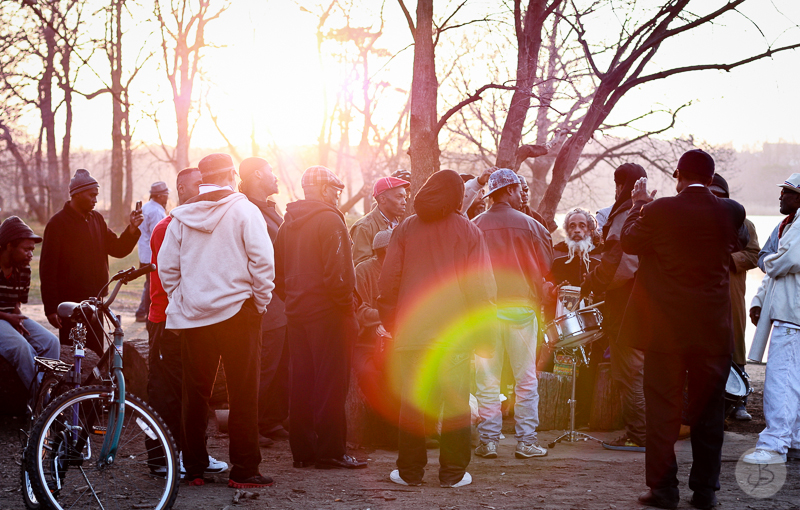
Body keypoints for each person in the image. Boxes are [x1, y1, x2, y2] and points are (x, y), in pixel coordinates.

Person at [619, 149, 745, 509]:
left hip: (666, 332)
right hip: (712, 331)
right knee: (709, 415)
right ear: (710, 177)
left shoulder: (657, 211)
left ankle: (664, 491)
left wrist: (638, 203)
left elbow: (629, 242)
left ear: (677, 175)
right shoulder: (733, 211)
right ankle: (705, 493)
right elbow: (734, 246)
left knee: (662, 412)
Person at [159, 153, 275, 488]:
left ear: (203, 178)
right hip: (240, 313)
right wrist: (260, 303)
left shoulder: (180, 217)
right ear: (231, 175)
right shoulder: (244, 211)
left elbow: (167, 268)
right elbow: (263, 263)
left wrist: (184, 298)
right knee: (243, 393)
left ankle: (194, 468)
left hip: (194, 317)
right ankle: (245, 471)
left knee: (194, 396)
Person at [378, 169, 497, 488]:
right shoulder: (470, 232)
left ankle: (409, 473)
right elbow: (481, 290)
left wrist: (395, 324)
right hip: (454, 338)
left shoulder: (404, 229)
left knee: (413, 404)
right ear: (459, 197)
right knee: (456, 403)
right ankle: (453, 474)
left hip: (412, 335)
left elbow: (387, 283)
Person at [274, 166, 367, 470]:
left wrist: (296, 300)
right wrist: (346, 311)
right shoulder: (330, 219)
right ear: (326, 190)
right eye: (337, 190)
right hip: (328, 314)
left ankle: (303, 452)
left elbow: (278, 274)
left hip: (297, 313)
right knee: (331, 383)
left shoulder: (288, 223)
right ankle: (330, 452)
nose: (339, 196)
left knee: (301, 381)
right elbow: (339, 276)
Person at [145, 167, 228, 477]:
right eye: (198, 185)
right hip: (167, 320)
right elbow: (173, 280)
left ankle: (195, 456)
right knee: (167, 394)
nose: (205, 191)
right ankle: (162, 459)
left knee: (193, 392)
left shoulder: (196, 224)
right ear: (181, 188)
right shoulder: (168, 227)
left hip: (192, 320)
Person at [472, 169, 553, 460]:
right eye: (519, 189)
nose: (522, 195)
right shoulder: (532, 226)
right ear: (507, 191)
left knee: (487, 380)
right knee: (526, 379)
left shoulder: (475, 225)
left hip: (487, 311)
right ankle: (526, 442)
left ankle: (489, 442)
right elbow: (546, 265)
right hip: (522, 309)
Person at [582, 163, 648, 453]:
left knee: (628, 371)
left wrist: (592, 282)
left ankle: (639, 435)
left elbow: (617, 263)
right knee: (639, 370)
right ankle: (644, 431)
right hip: (644, 300)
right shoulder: (650, 210)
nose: (617, 190)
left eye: (618, 184)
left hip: (625, 304)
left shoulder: (625, 214)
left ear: (623, 186)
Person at [40, 168, 142, 355]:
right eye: (92, 195)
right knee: (75, 356)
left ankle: (94, 386)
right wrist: (51, 308)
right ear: (76, 194)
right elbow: (47, 269)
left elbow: (118, 249)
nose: (96, 199)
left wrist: (132, 229)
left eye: (97, 195)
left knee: (96, 354)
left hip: (96, 303)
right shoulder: (57, 224)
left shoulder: (97, 220)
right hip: (71, 307)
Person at [746, 173, 800, 465]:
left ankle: (774, 445)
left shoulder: (798, 224)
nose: (781, 196)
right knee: (795, 383)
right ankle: (794, 440)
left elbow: (785, 260)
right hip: (791, 313)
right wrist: (758, 302)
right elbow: (779, 270)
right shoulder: (788, 224)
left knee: (781, 382)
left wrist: (767, 261)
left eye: (788, 192)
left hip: (792, 317)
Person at [238, 157, 290, 445]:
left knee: (280, 364)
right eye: (271, 172)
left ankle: (270, 420)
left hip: (281, 299)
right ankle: (249, 427)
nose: (276, 177)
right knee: (263, 366)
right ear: (257, 174)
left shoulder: (270, 208)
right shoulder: (247, 209)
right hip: (263, 300)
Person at [708, 173, 759, 421]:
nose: (715, 199)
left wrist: (729, 260)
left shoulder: (744, 224)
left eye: (720, 195)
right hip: (702, 296)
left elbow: (754, 255)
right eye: (711, 194)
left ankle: (740, 401)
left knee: (736, 343)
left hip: (731, 293)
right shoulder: (697, 221)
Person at [0, 217, 59, 396]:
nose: (30, 254)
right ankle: (45, 402)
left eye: (32, 250)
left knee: (51, 342)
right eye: (26, 249)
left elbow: (16, 303)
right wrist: (9, 318)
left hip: (10, 317)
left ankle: (41, 397)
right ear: (9, 246)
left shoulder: (23, 270)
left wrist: (17, 319)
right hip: (3, 318)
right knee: (21, 347)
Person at [353, 229, 400, 439]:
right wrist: (383, 319)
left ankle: (406, 431)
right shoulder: (363, 271)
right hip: (365, 343)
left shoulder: (403, 270)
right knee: (369, 374)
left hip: (396, 341)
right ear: (384, 250)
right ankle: (382, 433)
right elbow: (358, 309)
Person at [350, 176, 410, 265]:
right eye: (399, 197)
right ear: (382, 199)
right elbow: (360, 268)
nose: (404, 202)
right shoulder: (364, 227)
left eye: (405, 197)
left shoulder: (401, 224)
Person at [136, 182, 170, 322]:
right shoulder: (156, 212)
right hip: (151, 253)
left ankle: (141, 311)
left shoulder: (146, 207)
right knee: (151, 284)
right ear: (160, 196)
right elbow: (158, 234)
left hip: (144, 252)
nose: (167, 198)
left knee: (148, 284)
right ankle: (143, 313)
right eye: (166, 195)